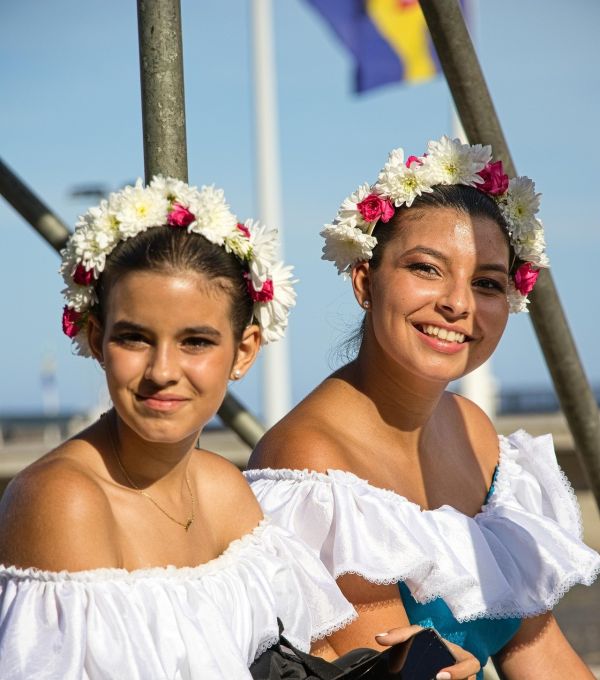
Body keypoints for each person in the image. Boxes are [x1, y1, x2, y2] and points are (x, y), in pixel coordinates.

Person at [246, 137, 600, 680]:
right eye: (427, 269)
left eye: (486, 283)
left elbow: (537, 648)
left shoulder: (476, 432)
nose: (458, 303)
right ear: (365, 280)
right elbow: (390, 668)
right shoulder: (313, 464)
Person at [0, 177, 358, 679]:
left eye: (195, 342)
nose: (162, 370)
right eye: (134, 338)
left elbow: (306, 653)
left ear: (245, 351)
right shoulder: (63, 499)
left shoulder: (223, 488)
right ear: (97, 338)